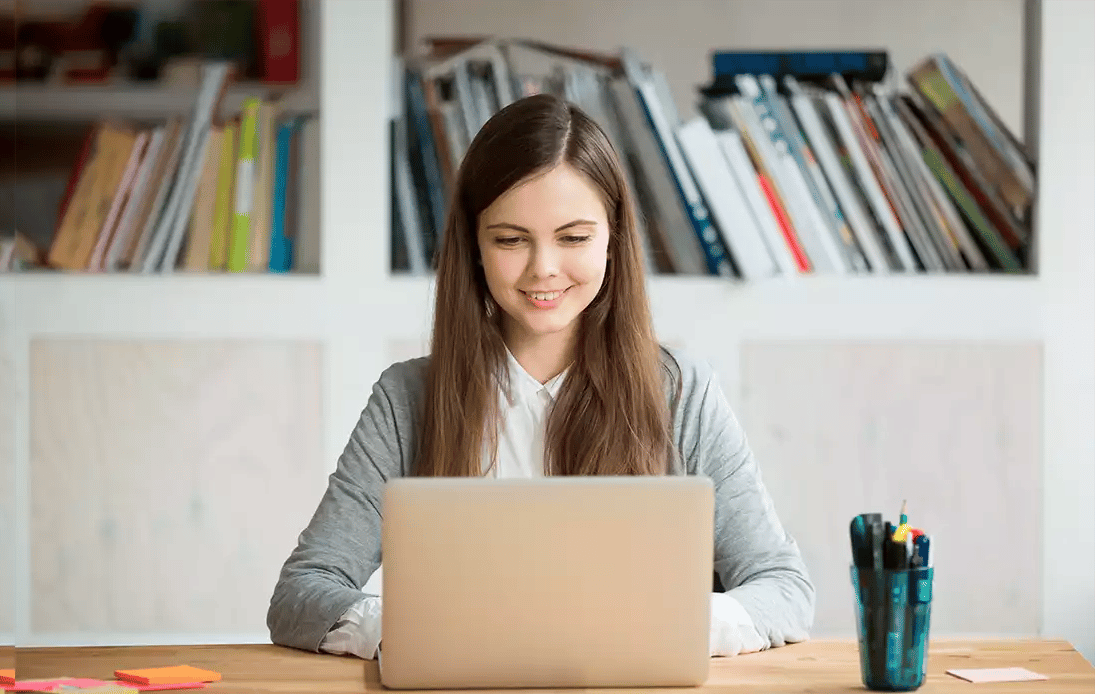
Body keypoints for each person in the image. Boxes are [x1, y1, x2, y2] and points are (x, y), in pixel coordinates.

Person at [267, 93, 814, 660]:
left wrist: (664, 627)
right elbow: (300, 595)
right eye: (510, 239)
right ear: (474, 246)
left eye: (573, 238)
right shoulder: (407, 398)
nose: (543, 268)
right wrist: (418, 629)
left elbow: (784, 590)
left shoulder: (682, 393)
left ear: (614, 239)